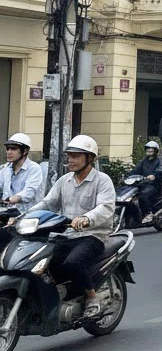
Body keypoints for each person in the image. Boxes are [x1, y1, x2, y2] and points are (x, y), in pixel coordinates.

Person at [28, 135, 115, 318]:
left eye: (76, 156)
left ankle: (91, 298)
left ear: (90, 158)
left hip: (93, 235)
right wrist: (23, 217)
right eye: (69, 156)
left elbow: (105, 207)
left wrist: (86, 218)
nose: (70, 160)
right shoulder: (64, 180)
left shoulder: (102, 180)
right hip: (67, 235)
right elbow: (48, 203)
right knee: (40, 261)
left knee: (74, 262)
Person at [0, 132, 44, 250]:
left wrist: (15, 198)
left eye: (13, 149)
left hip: (26, 217)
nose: (9, 152)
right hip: (6, 214)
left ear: (25, 151)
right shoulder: (5, 169)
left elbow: (29, 192)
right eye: (8, 149)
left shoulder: (34, 169)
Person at [128, 140, 162, 225]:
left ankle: (148, 213)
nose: (149, 151)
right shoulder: (143, 161)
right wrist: (129, 176)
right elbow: (135, 171)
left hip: (154, 185)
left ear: (155, 151)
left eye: (151, 150)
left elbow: (160, 171)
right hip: (142, 183)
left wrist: (154, 176)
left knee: (143, 195)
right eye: (148, 149)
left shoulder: (160, 161)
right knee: (129, 196)